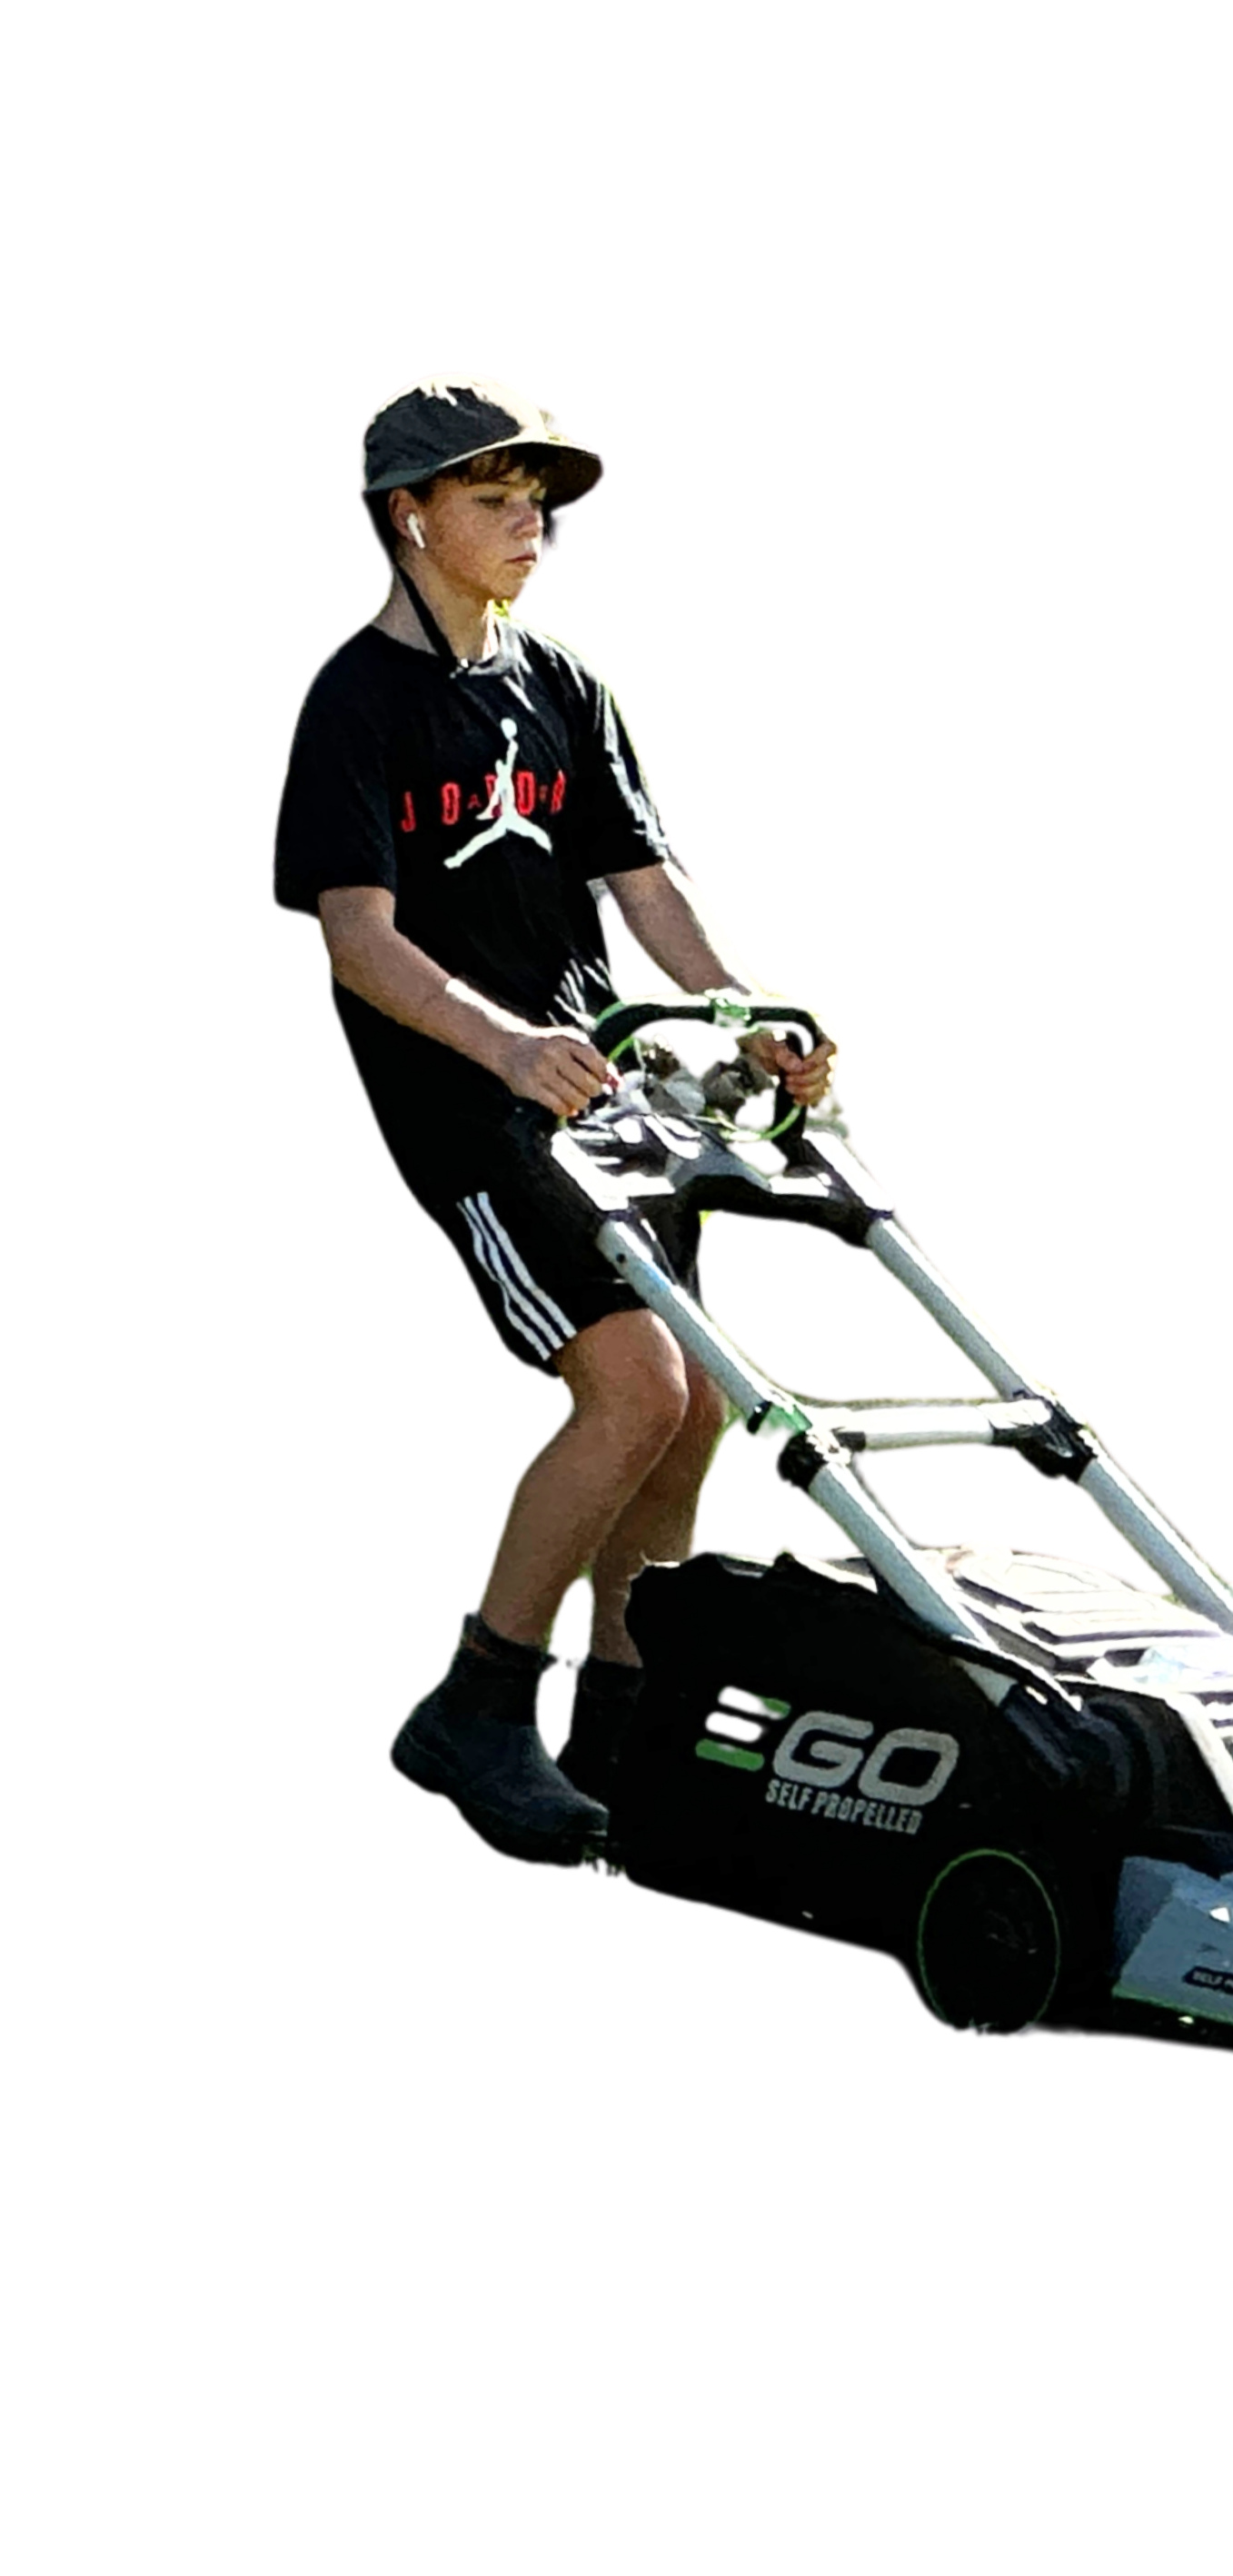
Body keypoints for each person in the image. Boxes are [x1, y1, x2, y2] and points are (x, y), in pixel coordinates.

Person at [271, 370, 838, 1862]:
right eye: (494, 503)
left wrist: (754, 1015)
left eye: (541, 504)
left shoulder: (562, 683)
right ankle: (476, 1701)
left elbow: (647, 890)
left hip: (597, 1080)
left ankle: (624, 1692)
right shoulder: (356, 702)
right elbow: (357, 936)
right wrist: (506, 1045)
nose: (534, 531)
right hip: (470, 1103)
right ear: (410, 517)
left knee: (699, 1401)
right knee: (639, 1392)